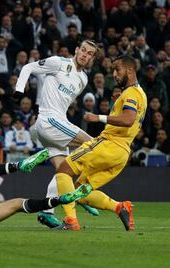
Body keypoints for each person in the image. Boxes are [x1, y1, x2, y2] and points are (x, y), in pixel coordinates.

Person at [54, 55, 147, 231]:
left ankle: (70, 221)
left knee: (63, 170)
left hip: (108, 144)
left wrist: (98, 117)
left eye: (117, 69)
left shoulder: (131, 93)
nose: (114, 74)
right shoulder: (141, 93)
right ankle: (120, 207)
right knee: (78, 192)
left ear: (130, 70)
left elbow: (128, 119)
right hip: (121, 153)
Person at [14, 40, 100, 228]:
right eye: (83, 50)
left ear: (92, 58)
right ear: (76, 50)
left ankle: (47, 212)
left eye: (90, 53)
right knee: (96, 145)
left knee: (64, 172)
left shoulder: (83, 79)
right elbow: (28, 67)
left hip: (57, 123)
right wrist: (19, 90)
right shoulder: (58, 63)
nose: (85, 55)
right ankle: (81, 194)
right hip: (48, 121)